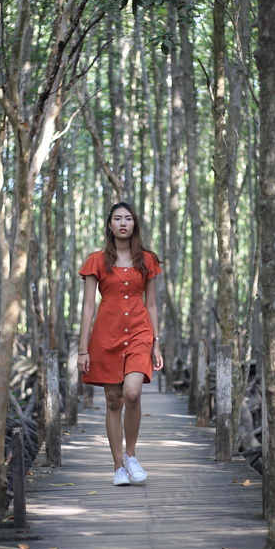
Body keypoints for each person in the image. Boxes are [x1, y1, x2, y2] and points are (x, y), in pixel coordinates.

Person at [77, 202, 164, 486]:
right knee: (114, 401)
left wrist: (156, 343)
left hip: (140, 331)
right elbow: (88, 307)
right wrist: (82, 349)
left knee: (133, 393)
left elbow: (151, 304)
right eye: (117, 219)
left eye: (128, 218)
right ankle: (117, 467)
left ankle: (130, 455)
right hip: (107, 334)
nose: (123, 223)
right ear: (110, 225)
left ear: (135, 224)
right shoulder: (96, 261)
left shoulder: (147, 259)